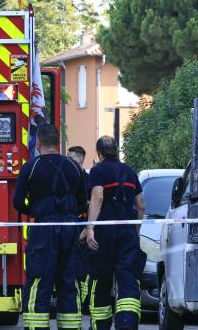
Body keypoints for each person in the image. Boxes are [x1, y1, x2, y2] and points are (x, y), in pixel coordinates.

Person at [13, 124, 88, 330]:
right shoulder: (74, 167)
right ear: (58, 144)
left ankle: (37, 326)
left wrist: (36, 211)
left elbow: (17, 202)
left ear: (38, 144)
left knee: (39, 280)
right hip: (70, 228)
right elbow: (83, 201)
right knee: (69, 281)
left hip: (44, 229)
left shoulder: (31, 167)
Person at [85, 136, 146, 330]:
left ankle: (101, 326)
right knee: (128, 279)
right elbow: (141, 206)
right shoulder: (129, 171)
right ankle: (127, 324)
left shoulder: (97, 170)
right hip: (127, 231)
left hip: (105, 231)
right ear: (116, 150)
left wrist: (90, 228)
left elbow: (98, 198)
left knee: (101, 278)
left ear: (99, 153)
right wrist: (135, 232)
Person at [67, 146, 91, 306]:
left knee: (82, 269)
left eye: (70, 158)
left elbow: (91, 205)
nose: (67, 162)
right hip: (68, 228)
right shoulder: (66, 177)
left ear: (80, 160)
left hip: (81, 229)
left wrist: (86, 230)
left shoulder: (88, 180)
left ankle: (84, 302)